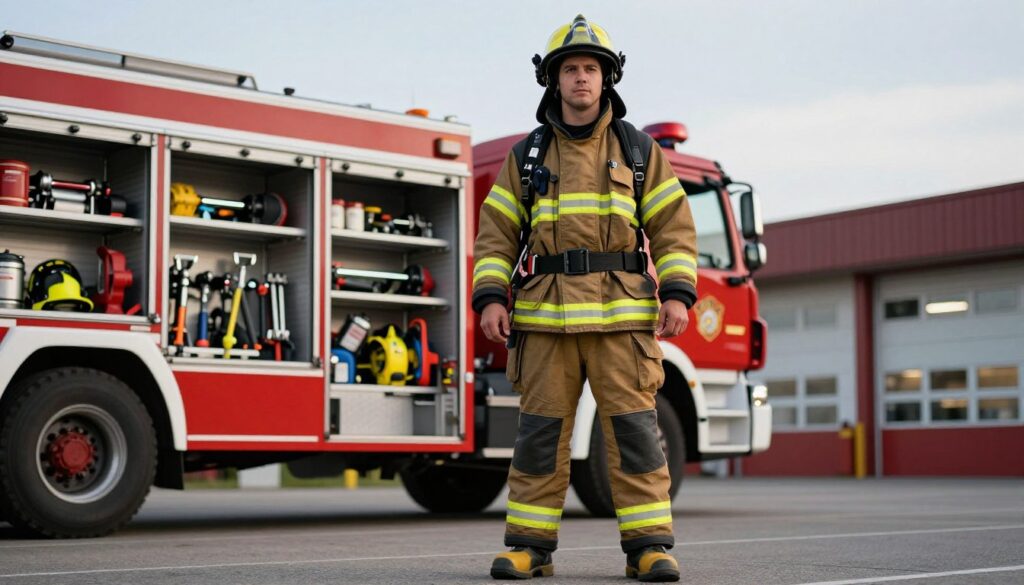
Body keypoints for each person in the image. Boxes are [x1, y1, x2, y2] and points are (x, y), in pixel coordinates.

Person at [473, 14, 698, 583]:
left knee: (635, 436)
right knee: (539, 439)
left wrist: (677, 293)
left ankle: (649, 549)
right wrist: (491, 297)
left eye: (590, 69)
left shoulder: (639, 151)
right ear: (553, 80)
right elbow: (497, 235)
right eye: (570, 69)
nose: (580, 78)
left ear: (607, 79)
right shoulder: (526, 157)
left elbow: (672, 227)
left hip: (622, 322)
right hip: (546, 320)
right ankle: (529, 548)